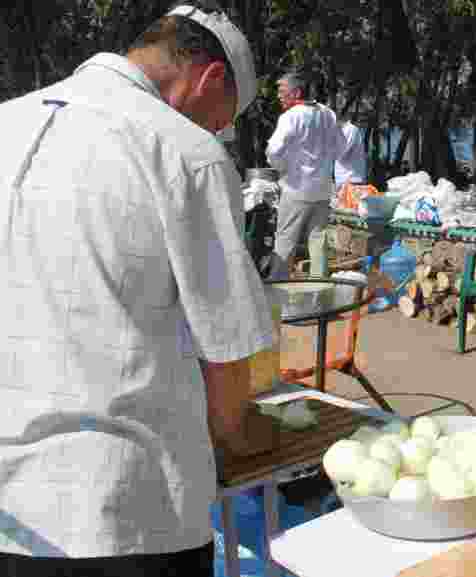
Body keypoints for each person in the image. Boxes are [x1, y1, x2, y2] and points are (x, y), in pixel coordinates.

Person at [0, 2, 275, 575]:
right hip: (129, 516)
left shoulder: (8, 122)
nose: (215, 132)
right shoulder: (186, 154)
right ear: (212, 78)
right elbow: (226, 371)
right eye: (222, 118)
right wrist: (247, 434)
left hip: (14, 514)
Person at [266, 72, 363, 279]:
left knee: (286, 241)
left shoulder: (291, 117)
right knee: (318, 241)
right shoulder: (327, 113)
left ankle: (278, 290)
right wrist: (323, 165)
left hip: (296, 190)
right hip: (321, 190)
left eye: (282, 92)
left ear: (297, 92)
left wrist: (283, 169)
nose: (279, 96)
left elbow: (273, 151)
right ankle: (319, 293)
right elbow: (340, 147)